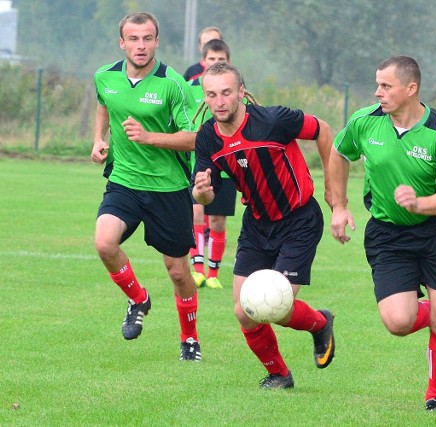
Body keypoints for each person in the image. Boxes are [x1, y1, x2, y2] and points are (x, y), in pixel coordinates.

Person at [329, 56, 436, 412]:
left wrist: (420, 203)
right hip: (388, 235)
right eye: (377, 85)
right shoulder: (365, 122)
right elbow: (337, 152)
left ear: (411, 89)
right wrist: (339, 205)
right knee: (398, 322)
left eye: (386, 86)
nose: (378, 92)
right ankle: (434, 310)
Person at [192, 62, 336, 389]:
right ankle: (280, 374)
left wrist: (332, 187)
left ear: (241, 92)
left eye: (227, 92)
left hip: (299, 221)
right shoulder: (207, 139)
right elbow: (205, 193)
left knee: (277, 307)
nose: (220, 101)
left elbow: (324, 130)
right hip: (257, 225)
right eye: (212, 94)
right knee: (245, 311)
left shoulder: (273, 121)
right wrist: (201, 192)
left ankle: (319, 323)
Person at [90, 12, 202, 361]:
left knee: (178, 271)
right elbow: (104, 105)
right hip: (124, 180)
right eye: (134, 39)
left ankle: (190, 339)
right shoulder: (104, 76)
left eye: (147, 38)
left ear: (157, 41)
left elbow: (195, 138)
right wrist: (98, 140)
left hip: (168, 188)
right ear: (122, 42)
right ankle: (138, 298)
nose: (141, 46)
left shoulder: (173, 84)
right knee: (104, 243)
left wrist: (149, 137)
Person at [187, 38, 237, 290]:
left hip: (227, 171)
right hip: (200, 165)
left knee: (217, 220)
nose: (216, 63)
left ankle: (214, 272)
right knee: (196, 214)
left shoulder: (236, 96)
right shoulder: (191, 90)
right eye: (212, 59)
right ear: (203, 62)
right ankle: (197, 270)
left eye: (221, 60)